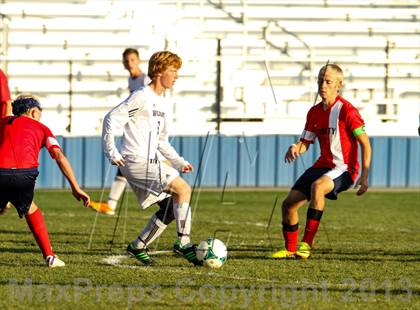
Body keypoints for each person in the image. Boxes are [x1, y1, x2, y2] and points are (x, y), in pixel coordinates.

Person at [102, 50, 201, 266]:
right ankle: (183, 244)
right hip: (135, 160)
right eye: (173, 71)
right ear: (158, 72)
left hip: (148, 160)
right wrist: (111, 151)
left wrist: (179, 162)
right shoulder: (141, 96)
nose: (176, 76)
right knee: (183, 190)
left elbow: (162, 142)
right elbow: (111, 118)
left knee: (169, 208)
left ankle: (138, 245)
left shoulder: (163, 103)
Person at [270, 64, 371, 259]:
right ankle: (290, 250)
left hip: (344, 168)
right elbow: (305, 142)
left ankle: (306, 246)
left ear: (339, 85)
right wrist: (296, 147)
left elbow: (365, 144)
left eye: (327, 81)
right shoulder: (314, 112)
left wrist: (364, 177)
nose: (322, 85)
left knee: (318, 186)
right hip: (322, 166)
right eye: (320, 81)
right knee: (288, 205)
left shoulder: (348, 111)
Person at [0, 95, 90, 267]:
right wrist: (75, 187)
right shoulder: (42, 128)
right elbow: (58, 155)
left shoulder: (3, 122)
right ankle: (50, 256)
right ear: (34, 112)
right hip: (24, 175)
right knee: (30, 209)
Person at [89, 48, 170, 215]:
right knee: (125, 165)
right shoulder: (131, 80)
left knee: (142, 169)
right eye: (126, 60)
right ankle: (111, 204)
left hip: (147, 133)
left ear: (139, 61)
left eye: (132, 60)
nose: (129, 63)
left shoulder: (145, 80)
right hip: (138, 131)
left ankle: (173, 202)